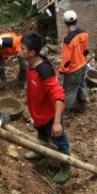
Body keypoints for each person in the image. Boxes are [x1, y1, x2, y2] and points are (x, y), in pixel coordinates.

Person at [19, 32, 72, 184]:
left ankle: (66, 166)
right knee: (41, 133)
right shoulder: (31, 64)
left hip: (50, 115)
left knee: (60, 141)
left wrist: (56, 122)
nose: (19, 51)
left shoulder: (44, 71)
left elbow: (59, 96)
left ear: (32, 52)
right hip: (38, 112)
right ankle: (40, 151)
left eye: (22, 49)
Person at [58, 10, 89, 114]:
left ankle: (64, 112)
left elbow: (66, 59)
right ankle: (82, 104)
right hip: (83, 64)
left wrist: (62, 70)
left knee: (69, 91)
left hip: (73, 69)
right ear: (77, 20)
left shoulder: (68, 40)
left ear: (65, 23)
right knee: (82, 83)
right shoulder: (84, 33)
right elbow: (86, 50)